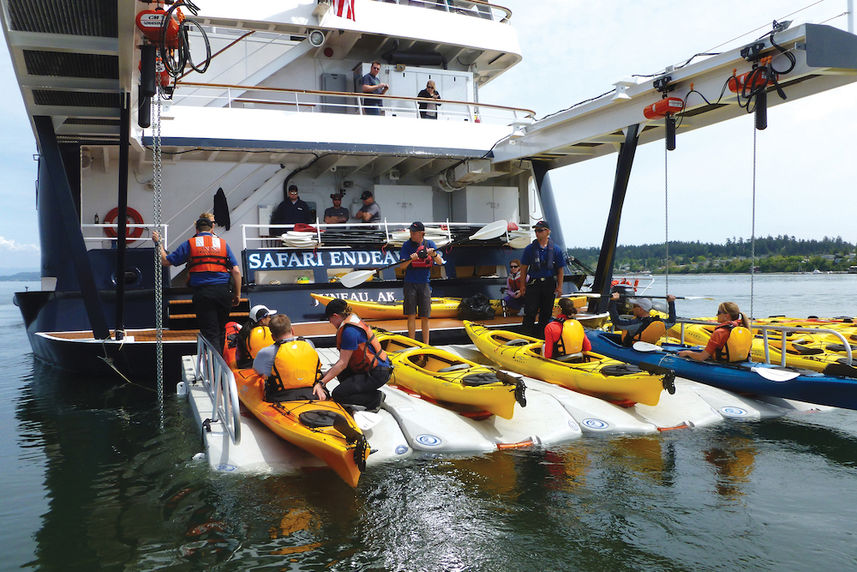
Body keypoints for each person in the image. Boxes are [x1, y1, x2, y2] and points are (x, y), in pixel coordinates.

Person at [152, 217, 241, 354]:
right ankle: (222, 363)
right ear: (212, 229)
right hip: (224, 292)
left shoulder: (191, 244)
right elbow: (236, 271)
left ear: (196, 229)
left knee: (210, 332)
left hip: (204, 294)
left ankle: (215, 370)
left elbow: (165, 261)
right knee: (220, 329)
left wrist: (158, 243)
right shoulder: (222, 244)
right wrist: (237, 294)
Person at [313, 298, 392, 410]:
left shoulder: (349, 332)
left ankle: (375, 398)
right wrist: (324, 375)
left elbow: (342, 363)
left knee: (338, 395)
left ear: (335, 316)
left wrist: (321, 383)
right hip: (373, 368)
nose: (331, 323)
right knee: (340, 373)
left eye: (330, 320)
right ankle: (359, 391)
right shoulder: (352, 322)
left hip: (378, 373)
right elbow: (343, 364)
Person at [253, 314, 321, 402]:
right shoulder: (308, 344)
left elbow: (258, 372)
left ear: (272, 337)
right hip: (311, 393)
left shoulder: (266, 352)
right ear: (292, 330)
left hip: (281, 396)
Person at [519, 220, 566, 337]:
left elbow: (560, 270)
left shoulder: (556, 249)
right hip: (534, 284)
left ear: (548, 232)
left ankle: (542, 337)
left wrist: (560, 287)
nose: (537, 233)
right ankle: (525, 337)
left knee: (546, 313)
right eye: (536, 231)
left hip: (549, 284)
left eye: (540, 230)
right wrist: (522, 286)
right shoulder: (529, 249)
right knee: (530, 311)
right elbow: (523, 268)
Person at [399, 221, 444, 344]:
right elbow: (402, 266)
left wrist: (434, 254)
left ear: (421, 233)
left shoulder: (430, 244)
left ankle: (426, 344)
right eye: (411, 232)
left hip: (424, 284)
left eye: (414, 232)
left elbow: (440, 262)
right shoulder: (406, 245)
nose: (411, 234)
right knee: (411, 314)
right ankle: (412, 343)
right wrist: (410, 259)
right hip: (410, 283)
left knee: (425, 316)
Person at [678, 302, 752, 362]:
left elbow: (701, 357)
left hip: (723, 364)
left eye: (719, 312)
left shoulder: (720, 332)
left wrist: (688, 353)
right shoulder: (743, 328)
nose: (716, 315)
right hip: (740, 362)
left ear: (726, 316)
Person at [609, 293, 677, 346]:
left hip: (631, 350)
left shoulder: (636, 323)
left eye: (634, 306)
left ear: (641, 309)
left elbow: (617, 322)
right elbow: (672, 321)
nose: (632, 309)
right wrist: (671, 302)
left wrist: (613, 301)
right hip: (647, 348)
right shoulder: (660, 322)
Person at [235, 304, 276, 368]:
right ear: (262, 320)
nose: (271, 319)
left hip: (245, 366)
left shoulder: (245, 332)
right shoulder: (265, 332)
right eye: (269, 316)